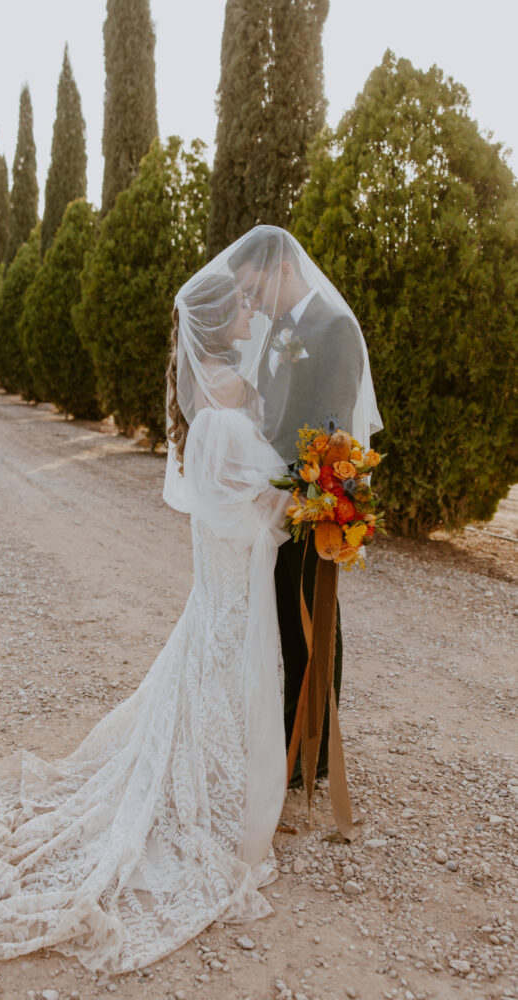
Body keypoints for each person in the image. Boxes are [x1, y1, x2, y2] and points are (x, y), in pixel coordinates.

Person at [0, 256, 293, 975]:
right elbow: (228, 509)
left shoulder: (220, 393)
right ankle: (210, 814)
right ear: (225, 321)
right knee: (217, 675)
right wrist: (291, 505)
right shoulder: (223, 408)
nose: (256, 314)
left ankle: (221, 792)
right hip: (230, 577)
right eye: (247, 308)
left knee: (209, 677)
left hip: (225, 584)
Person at [226, 226, 382, 787]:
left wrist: (290, 489)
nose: (252, 302)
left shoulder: (334, 327)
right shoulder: (277, 332)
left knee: (315, 624)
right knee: (287, 628)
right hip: (276, 504)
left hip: (313, 502)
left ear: (282, 270)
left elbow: (333, 425)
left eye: (254, 288)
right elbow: (274, 415)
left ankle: (311, 753)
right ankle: (289, 737)